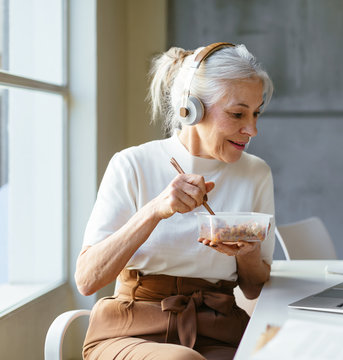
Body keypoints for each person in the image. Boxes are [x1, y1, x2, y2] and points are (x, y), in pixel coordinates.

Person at [75, 42, 275, 360]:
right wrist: (156, 209)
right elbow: (87, 280)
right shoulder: (132, 164)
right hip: (130, 329)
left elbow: (254, 289)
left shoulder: (256, 173)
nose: (251, 129)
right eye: (237, 114)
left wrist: (248, 254)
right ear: (190, 108)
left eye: (256, 114)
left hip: (219, 330)